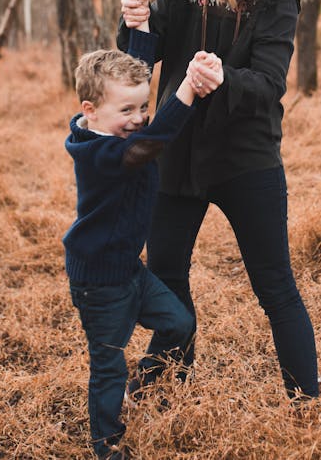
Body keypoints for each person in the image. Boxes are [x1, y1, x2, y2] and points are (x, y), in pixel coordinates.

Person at [118, 0, 319, 400]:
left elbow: (270, 84)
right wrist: (136, 24)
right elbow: (145, 59)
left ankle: (308, 405)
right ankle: (172, 374)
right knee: (164, 273)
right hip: (176, 151)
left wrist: (224, 77)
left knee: (275, 289)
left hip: (244, 158)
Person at [63, 29, 221, 459]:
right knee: (108, 363)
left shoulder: (113, 129)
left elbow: (136, 75)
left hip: (130, 270)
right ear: (89, 111)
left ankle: (143, 383)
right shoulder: (102, 155)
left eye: (144, 107)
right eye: (127, 110)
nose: (138, 117)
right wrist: (188, 88)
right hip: (100, 282)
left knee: (179, 324)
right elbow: (152, 143)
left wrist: (142, 31)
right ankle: (106, 444)